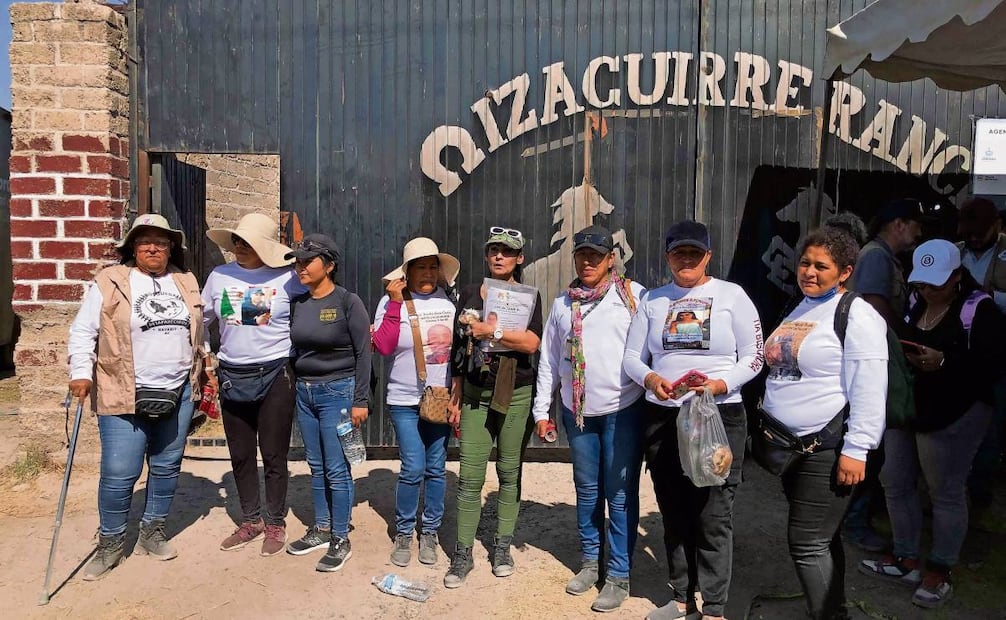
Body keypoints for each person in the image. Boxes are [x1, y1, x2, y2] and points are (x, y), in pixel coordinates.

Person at [623, 220, 764, 620]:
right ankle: (683, 600)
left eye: (694, 253)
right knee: (674, 511)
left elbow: (755, 356)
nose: (686, 260)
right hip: (665, 417)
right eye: (678, 253)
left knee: (714, 514)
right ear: (667, 256)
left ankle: (715, 608)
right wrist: (652, 379)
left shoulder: (732, 296)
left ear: (708, 256)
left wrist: (720, 385)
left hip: (718, 416)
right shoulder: (653, 299)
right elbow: (632, 358)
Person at [67, 214, 211, 581]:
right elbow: (84, 331)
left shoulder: (185, 281)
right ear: (132, 247)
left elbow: (199, 332)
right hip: (121, 391)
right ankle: (111, 543)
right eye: (144, 241)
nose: (153, 247)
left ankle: (152, 531)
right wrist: (81, 373)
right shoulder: (110, 281)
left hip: (178, 391)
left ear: (170, 248)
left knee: (165, 466)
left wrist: (206, 366)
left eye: (160, 242)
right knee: (120, 473)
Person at [860, 239, 1002, 609]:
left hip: (956, 412)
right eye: (921, 283)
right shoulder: (915, 301)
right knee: (894, 477)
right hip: (910, 405)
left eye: (936, 283)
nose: (927, 290)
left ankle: (939, 569)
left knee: (945, 490)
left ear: (957, 277)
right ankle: (906, 557)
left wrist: (945, 363)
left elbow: (989, 368)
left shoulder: (978, 310)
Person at [760, 227, 888, 620]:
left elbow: (869, 384)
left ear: (845, 271)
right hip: (789, 446)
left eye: (821, 266)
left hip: (827, 450)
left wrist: (857, 448)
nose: (809, 272)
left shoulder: (857, 314)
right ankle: (834, 610)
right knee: (822, 539)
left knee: (806, 543)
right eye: (804, 263)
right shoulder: (798, 307)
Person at [532, 226, 646, 612]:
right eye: (582, 255)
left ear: (611, 259)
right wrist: (541, 411)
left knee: (619, 492)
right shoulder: (563, 305)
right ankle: (590, 562)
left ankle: (618, 573)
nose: (588, 261)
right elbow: (548, 360)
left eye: (596, 256)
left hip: (622, 410)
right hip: (577, 413)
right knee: (586, 490)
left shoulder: (633, 297)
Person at [443, 226, 543, 588]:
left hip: (515, 393)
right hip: (474, 394)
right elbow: (457, 347)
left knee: (509, 472)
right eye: (493, 250)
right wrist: (454, 391)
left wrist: (494, 333)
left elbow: (532, 343)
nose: (499, 256)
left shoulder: (528, 296)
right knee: (470, 477)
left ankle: (502, 546)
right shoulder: (469, 292)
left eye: (507, 251)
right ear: (486, 255)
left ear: (519, 259)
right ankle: (463, 552)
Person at [202, 213, 306, 556]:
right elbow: (201, 320)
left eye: (248, 242)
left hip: (276, 373)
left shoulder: (288, 278)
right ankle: (251, 520)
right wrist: (205, 357)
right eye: (237, 241)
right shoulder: (219, 276)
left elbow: (309, 316)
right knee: (241, 453)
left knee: (274, 454)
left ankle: (275, 522)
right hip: (233, 374)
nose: (240, 247)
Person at [844, 198, 929, 552]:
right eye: (914, 227)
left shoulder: (883, 257)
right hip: (877, 358)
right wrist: (906, 340)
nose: (917, 235)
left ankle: (860, 515)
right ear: (898, 224)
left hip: (882, 357)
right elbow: (875, 305)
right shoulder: (876, 257)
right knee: (871, 444)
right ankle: (854, 521)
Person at [285, 234, 372, 572]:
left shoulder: (348, 302)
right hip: (305, 393)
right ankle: (321, 528)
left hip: (338, 393)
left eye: (308, 260)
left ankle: (340, 536)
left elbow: (365, 353)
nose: (300, 266)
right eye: (298, 261)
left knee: (337, 468)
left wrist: (360, 400)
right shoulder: (299, 303)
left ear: (330, 265)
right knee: (316, 466)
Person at [372, 237, 460, 567]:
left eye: (431, 266)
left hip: (439, 398)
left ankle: (431, 532)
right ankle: (405, 532)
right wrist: (395, 303)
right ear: (406, 271)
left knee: (436, 467)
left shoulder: (450, 304)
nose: (426, 272)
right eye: (419, 266)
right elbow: (383, 346)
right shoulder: (390, 301)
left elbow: (460, 355)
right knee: (413, 466)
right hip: (403, 398)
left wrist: (458, 396)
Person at [955, 197, 1006, 511]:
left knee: (992, 428)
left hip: (999, 357)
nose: (974, 237)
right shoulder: (955, 251)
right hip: (959, 356)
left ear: (997, 226)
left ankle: (980, 496)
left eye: (981, 231)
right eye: (969, 231)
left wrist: (988, 297)